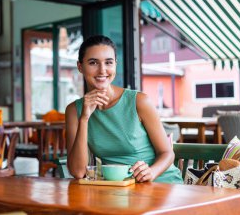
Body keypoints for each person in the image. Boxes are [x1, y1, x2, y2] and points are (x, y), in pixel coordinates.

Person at [65, 35, 183, 183]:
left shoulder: (139, 101)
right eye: (93, 63)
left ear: (115, 65)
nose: (102, 70)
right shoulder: (74, 111)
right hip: (120, 191)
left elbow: (167, 153)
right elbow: (78, 171)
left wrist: (151, 172)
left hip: (160, 183)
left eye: (108, 62)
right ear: (80, 67)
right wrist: (84, 118)